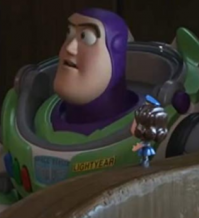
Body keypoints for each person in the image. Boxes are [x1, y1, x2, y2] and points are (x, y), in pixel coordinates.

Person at [50, 8, 139, 136]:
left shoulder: (140, 130)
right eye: (69, 33)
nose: (69, 48)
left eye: (86, 37)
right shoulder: (34, 120)